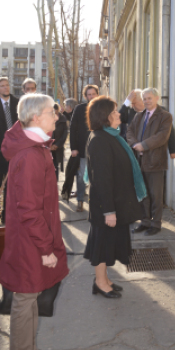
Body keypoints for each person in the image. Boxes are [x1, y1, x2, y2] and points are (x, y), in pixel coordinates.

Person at [0, 94, 69, 349]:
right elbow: (29, 210)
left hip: (30, 238)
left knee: (29, 295)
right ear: (36, 117)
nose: (57, 116)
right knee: (25, 297)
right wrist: (46, 248)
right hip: (30, 241)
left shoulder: (36, 148)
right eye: (52, 112)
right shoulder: (30, 155)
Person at [84, 96, 145, 298]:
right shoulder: (100, 140)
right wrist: (109, 211)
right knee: (102, 245)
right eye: (114, 112)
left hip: (114, 202)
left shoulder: (110, 135)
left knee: (108, 243)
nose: (119, 114)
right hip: (105, 206)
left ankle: (105, 279)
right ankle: (100, 283)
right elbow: (102, 180)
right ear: (104, 117)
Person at [127, 88, 173, 236]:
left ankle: (156, 224)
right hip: (138, 161)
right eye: (144, 98)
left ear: (157, 98)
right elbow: (129, 132)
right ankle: (145, 222)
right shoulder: (139, 116)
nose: (147, 101)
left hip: (155, 161)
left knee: (156, 195)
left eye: (149, 98)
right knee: (142, 193)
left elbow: (162, 136)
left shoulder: (165, 116)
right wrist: (135, 144)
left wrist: (144, 145)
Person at [119, 89, 175, 159]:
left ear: (142, 101)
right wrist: (127, 102)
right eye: (131, 104)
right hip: (134, 155)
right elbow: (119, 118)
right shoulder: (131, 113)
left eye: (134, 103)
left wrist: (173, 150)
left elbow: (169, 131)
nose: (132, 106)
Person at [70, 85, 98, 212]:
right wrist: (73, 148)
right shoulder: (79, 109)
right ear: (85, 96)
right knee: (81, 176)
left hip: (99, 149)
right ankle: (80, 200)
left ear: (97, 94)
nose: (91, 96)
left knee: (97, 177)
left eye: (93, 94)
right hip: (83, 149)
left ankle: (96, 203)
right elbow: (73, 129)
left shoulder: (103, 108)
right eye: (89, 94)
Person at [0, 77, 19, 223]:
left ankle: (7, 216)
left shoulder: (18, 103)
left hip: (16, 151)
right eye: (2, 86)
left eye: (7, 85)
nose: (6, 88)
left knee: (12, 184)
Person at [51, 103, 68, 180]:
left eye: (55, 111)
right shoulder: (47, 118)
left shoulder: (62, 118)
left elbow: (65, 133)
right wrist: (50, 145)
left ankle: (55, 182)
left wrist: (57, 145)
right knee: (49, 165)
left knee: (56, 165)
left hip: (59, 146)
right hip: (49, 147)